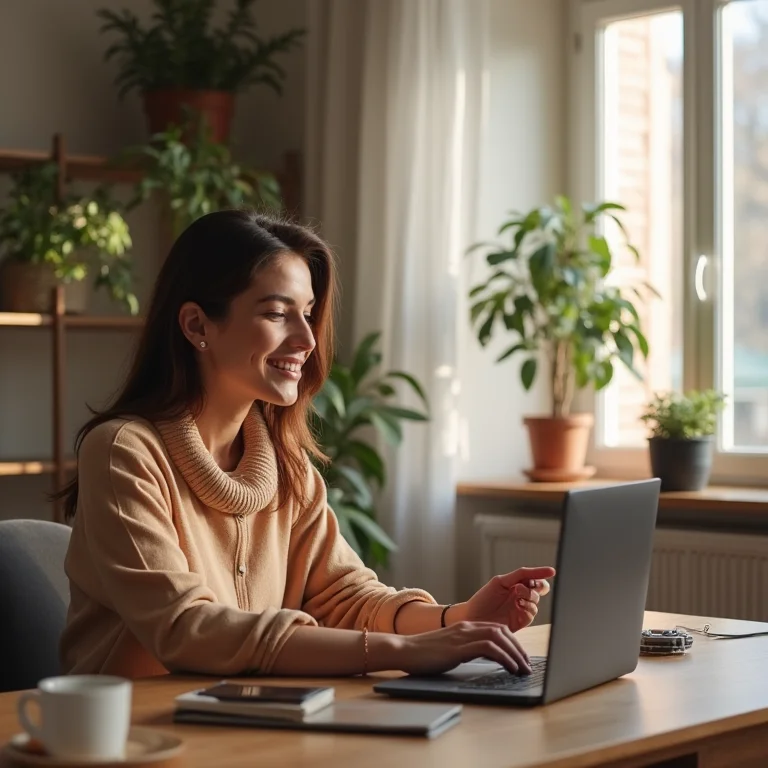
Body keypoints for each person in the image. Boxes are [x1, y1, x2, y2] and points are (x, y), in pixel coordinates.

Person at [59, 210, 556, 680]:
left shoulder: (284, 463)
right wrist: (404, 652)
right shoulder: (123, 452)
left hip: (245, 723)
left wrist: (457, 617)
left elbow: (345, 597)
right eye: (277, 314)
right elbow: (187, 628)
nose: (307, 340)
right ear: (197, 326)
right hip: (133, 736)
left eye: (308, 313)